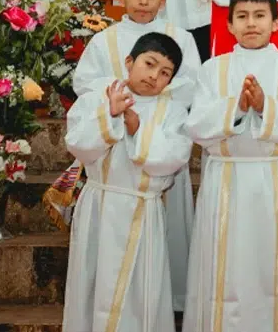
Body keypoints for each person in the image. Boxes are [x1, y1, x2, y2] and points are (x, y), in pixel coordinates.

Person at [71, 0, 201, 313]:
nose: (144, 2)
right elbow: (84, 83)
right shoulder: (105, 40)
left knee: (157, 246)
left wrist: (151, 99)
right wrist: (119, 92)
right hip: (111, 156)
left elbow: (193, 85)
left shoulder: (181, 36)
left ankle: (170, 298)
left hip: (157, 136)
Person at [183, 0, 278, 332]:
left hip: (270, 178)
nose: (251, 23)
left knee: (266, 269)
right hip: (223, 179)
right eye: (242, 16)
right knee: (221, 268)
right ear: (228, 25)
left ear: (276, 22)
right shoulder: (213, 69)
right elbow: (196, 125)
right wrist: (237, 108)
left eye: (259, 16)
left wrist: (264, 107)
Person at [64, 33, 192, 332]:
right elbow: (79, 145)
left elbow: (175, 157)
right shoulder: (99, 96)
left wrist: (137, 130)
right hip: (99, 206)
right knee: (91, 286)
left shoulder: (172, 112)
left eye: (165, 73)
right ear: (129, 61)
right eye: (149, 64)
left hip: (142, 212)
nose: (153, 76)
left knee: (139, 297)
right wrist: (109, 117)